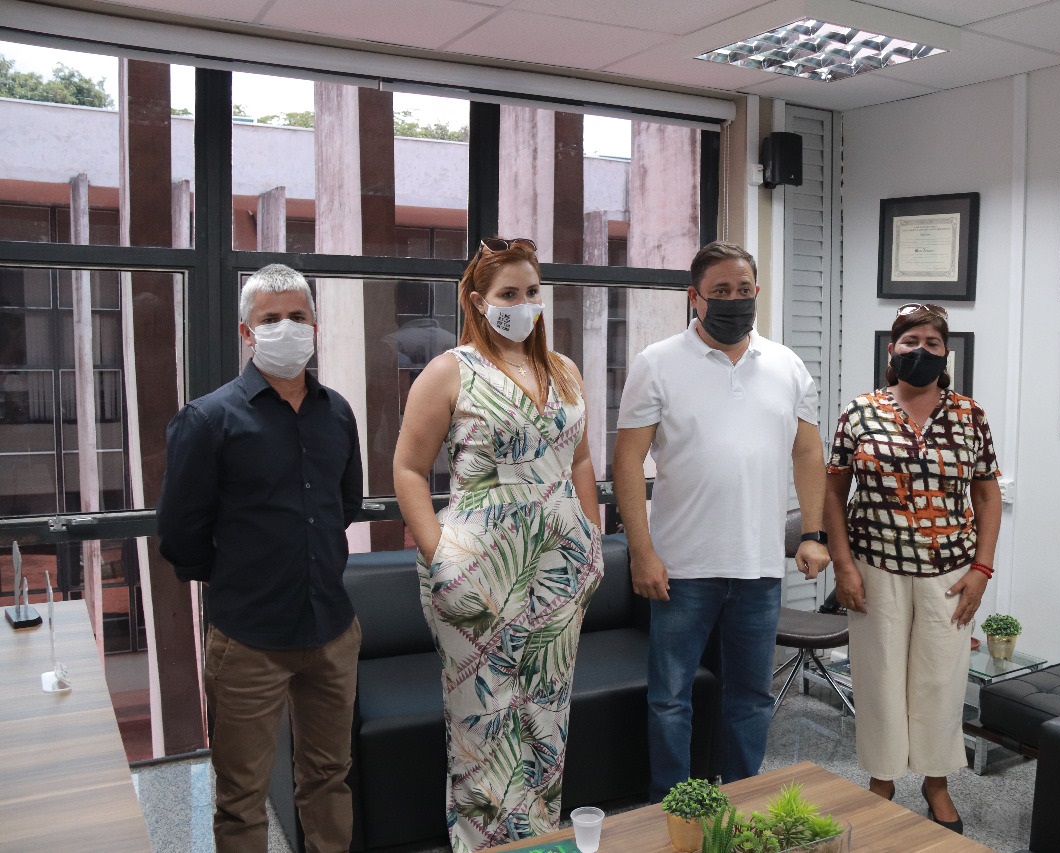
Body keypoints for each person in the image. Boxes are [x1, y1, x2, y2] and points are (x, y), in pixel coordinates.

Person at [392, 237, 603, 853]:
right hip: (479, 569)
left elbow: (581, 460)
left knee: (547, 716)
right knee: (482, 721)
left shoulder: (564, 371)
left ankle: (539, 841)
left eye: (532, 291)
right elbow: (408, 469)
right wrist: (441, 558)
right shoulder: (449, 370)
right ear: (478, 301)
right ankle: (481, 846)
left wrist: (591, 541)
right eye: (508, 293)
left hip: (561, 569)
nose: (522, 303)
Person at [613, 240, 831, 802]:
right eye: (721, 291)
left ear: (757, 292)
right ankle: (672, 806)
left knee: (751, 697)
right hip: (680, 567)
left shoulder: (787, 365)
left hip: (758, 568)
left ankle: (741, 803)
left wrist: (813, 533)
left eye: (743, 289)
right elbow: (627, 461)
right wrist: (642, 552)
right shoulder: (657, 362)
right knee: (670, 698)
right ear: (695, 297)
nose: (735, 299)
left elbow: (809, 453)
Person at [157, 263, 364, 852]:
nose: (286, 328)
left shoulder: (337, 412)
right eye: (271, 319)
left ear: (315, 327)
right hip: (248, 639)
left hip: (331, 630)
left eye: (298, 316)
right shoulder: (208, 419)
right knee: (241, 796)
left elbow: (344, 505)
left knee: (329, 777)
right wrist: (242, 576)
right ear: (247, 333)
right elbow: (180, 533)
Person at [823, 302, 1002, 835]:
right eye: (910, 341)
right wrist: (843, 566)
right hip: (874, 567)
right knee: (878, 676)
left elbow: (987, 496)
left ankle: (935, 780)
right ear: (891, 350)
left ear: (946, 354)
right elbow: (833, 493)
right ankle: (881, 779)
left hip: (950, 572)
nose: (920, 351)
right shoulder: (860, 412)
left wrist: (982, 568)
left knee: (941, 679)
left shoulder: (970, 415)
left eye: (932, 343)